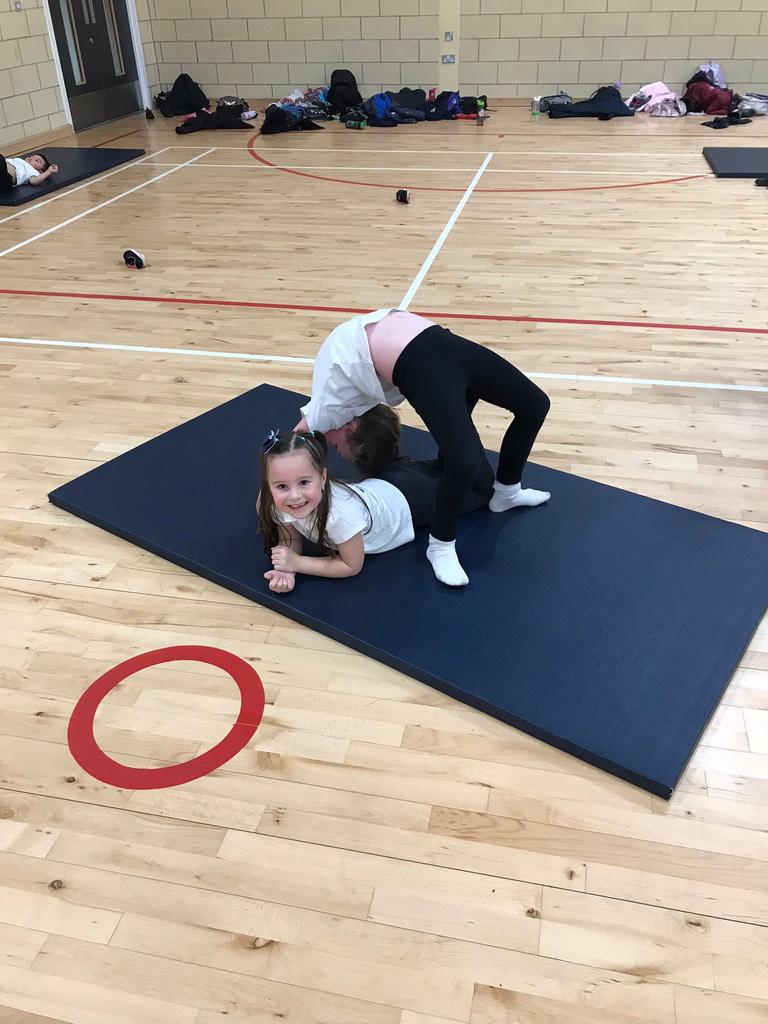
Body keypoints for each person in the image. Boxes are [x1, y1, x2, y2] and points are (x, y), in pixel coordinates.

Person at [294, 308, 551, 587]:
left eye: (335, 445)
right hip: (420, 358)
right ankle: (440, 545)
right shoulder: (343, 404)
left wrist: (283, 477)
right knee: (463, 461)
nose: (333, 446)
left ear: (351, 426)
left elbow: (293, 439)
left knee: (535, 405)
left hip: (437, 341)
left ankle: (507, 492)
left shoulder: (325, 406)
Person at [258, 427, 491, 593]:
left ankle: (465, 434)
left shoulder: (340, 515)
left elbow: (351, 566)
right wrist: (286, 569)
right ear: (269, 485)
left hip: (411, 502)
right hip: (385, 485)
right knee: (445, 468)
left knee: (484, 490)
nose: (294, 495)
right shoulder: (275, 503)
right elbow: (290, 537)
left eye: (303, 482)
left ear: (323, 478)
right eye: (281, 486)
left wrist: (298, 563)